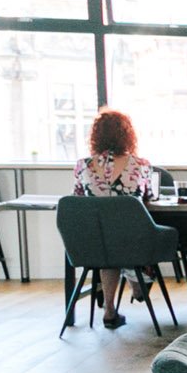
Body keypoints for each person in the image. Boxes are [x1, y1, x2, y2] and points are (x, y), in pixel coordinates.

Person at [72, 107, 157, 329]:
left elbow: (77, 200)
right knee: (134, 241)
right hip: (132, 239)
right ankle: (137, 284)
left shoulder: (83, 166)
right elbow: (148, 197)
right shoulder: (141, 165)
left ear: (95, 136)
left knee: (108, 251)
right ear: (127, 135)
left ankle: (109, 310)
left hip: (95, 242)